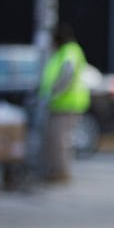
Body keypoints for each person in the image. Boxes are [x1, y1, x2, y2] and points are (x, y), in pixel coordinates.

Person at [39, 23, 90, 183]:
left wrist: (54, 93)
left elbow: (67, 74)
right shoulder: (64, 52)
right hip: (61, 104)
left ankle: (61, 173)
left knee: (59, 139)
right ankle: (57, 171)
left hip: (67, 104)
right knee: (56, 139)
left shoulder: (70, 51)